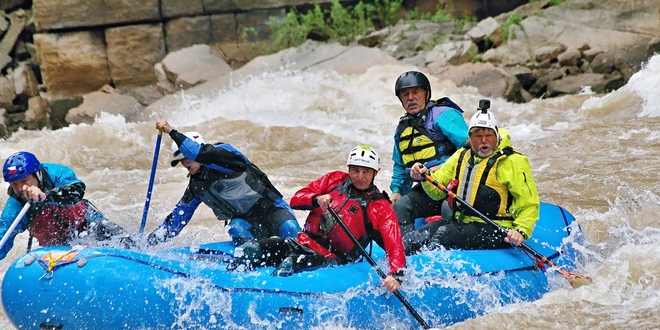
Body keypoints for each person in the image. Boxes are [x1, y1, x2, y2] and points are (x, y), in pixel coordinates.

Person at [230, 145, 406, 293]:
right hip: (303, 242)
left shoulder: (379, 206)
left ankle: (265, 298)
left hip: (331, 257)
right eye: (355, 170)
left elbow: (394, 243)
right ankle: (231, 285)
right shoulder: (335, 180)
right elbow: (297, 198)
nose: (360, 176)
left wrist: (396, 275)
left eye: (366, 172)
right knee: (251, 250)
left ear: (376, 172)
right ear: (348, 169)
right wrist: (316, 199)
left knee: (288, 264)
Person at [0, 151, 131, 285]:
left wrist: (46, 196)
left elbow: (76, 191)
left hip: (90, 227)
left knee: (129, 244)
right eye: (14, 185)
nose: (20, 188)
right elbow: (1, 238)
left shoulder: (57, 174)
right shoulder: (16, 204)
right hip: (57, 248)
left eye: (24, 181)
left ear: (37, 173)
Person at [402, 99, 539, 253]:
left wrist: (521, 230)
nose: (484, 140)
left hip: (497, 229)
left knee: (444, 235)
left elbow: (529, 203)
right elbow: (437, 191)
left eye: (489, 135)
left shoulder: (514, 161)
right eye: (478, 136)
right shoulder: (462, 155)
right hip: (462, 223)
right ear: (470, 138)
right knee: (411, 240)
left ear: (497, 137)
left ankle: (433, 274)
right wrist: (424, 175)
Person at [146, 120, 301, 246]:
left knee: (290, 228)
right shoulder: (197, 186)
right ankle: (251, 261)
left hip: (273, 210)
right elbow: (177, 220)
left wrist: (171, 131)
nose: (184, 162)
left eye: (186, 157)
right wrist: (147, 244)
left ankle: (304, 257)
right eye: (180, 160)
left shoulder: (227, 158)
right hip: (246, 222)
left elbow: (200, 153)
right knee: (236, 228)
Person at [390, 70, 469, 234]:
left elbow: (470, 147)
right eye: (405, 94)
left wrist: (441, 168)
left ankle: (451, 238)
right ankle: (409, 248)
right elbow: (400, 165)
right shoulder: (402, 129)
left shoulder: (443, 115)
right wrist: (397, 191)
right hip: (429, 189)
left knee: (448, 209)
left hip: (455, 186)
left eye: (415, 92)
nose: (411, 97)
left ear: (426, 93)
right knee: (401, 206)